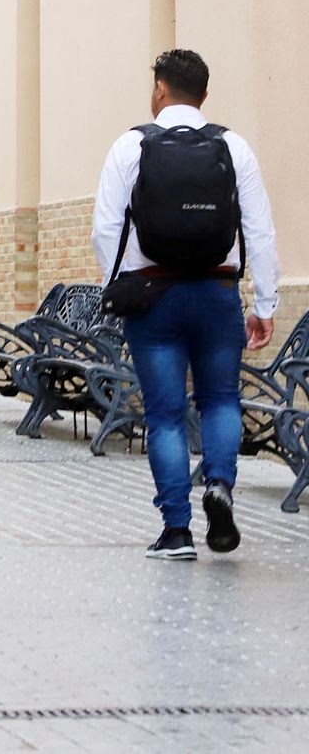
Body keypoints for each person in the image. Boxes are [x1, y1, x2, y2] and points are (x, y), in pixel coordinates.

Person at [91, 49, 278, 561]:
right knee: (219, 399)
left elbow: (105, 228)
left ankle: (177, 530)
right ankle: (219, 484)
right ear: (204, 95)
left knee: (166, 414)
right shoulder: (232, 146)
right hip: (218, 295)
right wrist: (264, 301)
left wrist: (123, 287)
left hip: (155, 297)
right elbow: (259, 229)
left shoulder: (130, 147)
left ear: (159, 89)